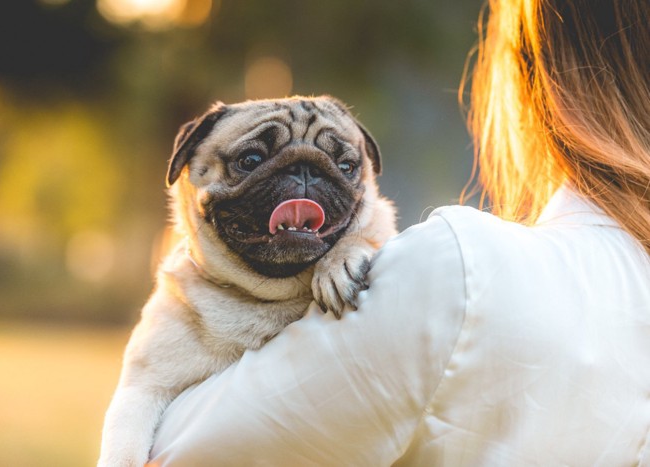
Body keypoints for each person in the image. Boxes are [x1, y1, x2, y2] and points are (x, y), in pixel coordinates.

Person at [148, 0, 650, 465]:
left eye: (341, 165)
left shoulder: (457, 274)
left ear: (529, 72)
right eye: (254, 160)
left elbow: (170, 453)